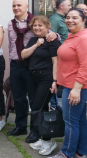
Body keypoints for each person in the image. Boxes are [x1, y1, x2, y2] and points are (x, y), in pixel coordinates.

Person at [7, 0, 58, 138]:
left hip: (30, 66)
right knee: (18, 98)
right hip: (16, 64)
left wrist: (54, 34)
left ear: (27, 6)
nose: (16, 8)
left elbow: (47, 34)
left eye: (19, 5)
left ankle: (36, 130)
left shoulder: (34, 22)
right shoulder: (10, 24)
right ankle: (21, 126)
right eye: (14, 5)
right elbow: (12, 45)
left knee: (35, 100)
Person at [48, 8, 87, 158]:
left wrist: (76, 89)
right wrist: (57, 80)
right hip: (71, 85)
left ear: (83, 20)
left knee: (70, 122)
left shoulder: (83, 39)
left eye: (75, 18)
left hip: (75, 87)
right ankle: (81, 152)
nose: (70, 20)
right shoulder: (73, 36)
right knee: (80, 121)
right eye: (68, 17)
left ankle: (66, 153)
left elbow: (85, 66)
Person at [21, 16, 60, 156]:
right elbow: (23, 54)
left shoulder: (52, 40)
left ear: (47, 26)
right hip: (34, 78)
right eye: (35, 25)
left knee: (37, 108)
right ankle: (39, 135)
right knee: (40, 108)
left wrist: (55, 81)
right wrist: (36, 45)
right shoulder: (33, 40)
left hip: (47, 78)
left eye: (40, 26)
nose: (37, 28)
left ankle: (47, 140)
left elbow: (56, 62)